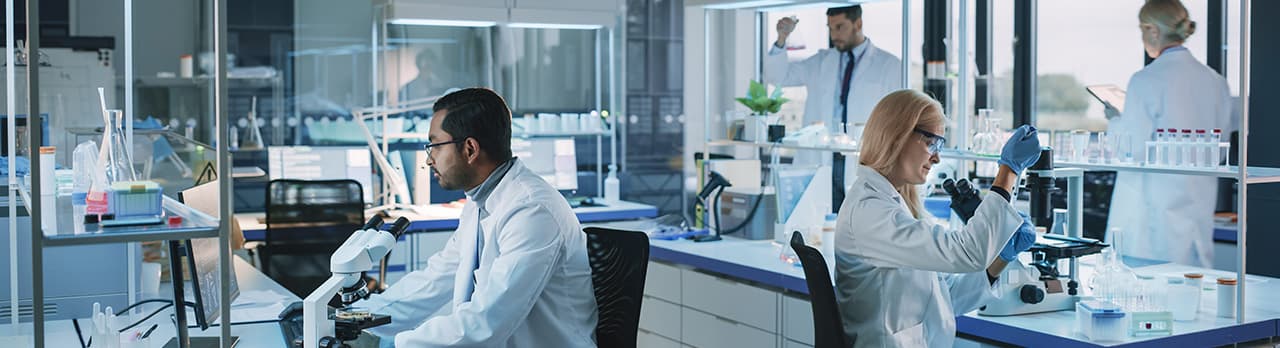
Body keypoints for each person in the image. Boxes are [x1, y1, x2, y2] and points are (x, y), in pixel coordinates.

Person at [359, 88, 598, 347]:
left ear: (470, 149)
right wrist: (353, 320)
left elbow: (487, 321)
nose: (429, 160)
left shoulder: (533, 211)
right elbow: (435, 280)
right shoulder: (480, 202)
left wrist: (388, 345)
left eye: (435, 146)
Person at [834, 90, 1040, 347]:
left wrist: (1000, 260)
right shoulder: (869, 211)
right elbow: (967, 253)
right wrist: (1007, 172)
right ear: (897, 135)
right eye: (932, 142)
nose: (937, 157)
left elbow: (947, 297)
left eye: (940, 146)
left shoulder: (895, 204)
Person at [1106, 0, 1231, 267]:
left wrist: (1115, 120)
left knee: (1146, 301)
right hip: (1197, 214)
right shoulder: (1215, 82)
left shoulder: (1146, 80)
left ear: (1152, 30)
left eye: (1142, 30)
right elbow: (1220, 152)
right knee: (1195, 299)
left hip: (1150, 227)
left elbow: (1131, 149)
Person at [764, 5, 903, 128]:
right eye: (830, 29)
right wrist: (781, 39)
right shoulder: (820, 62)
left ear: (858, 24)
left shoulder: (889, 66)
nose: (834, 35)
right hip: (822, 151)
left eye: (840, 27)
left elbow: (899, 115)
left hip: (863, 151)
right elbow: (778, 78)